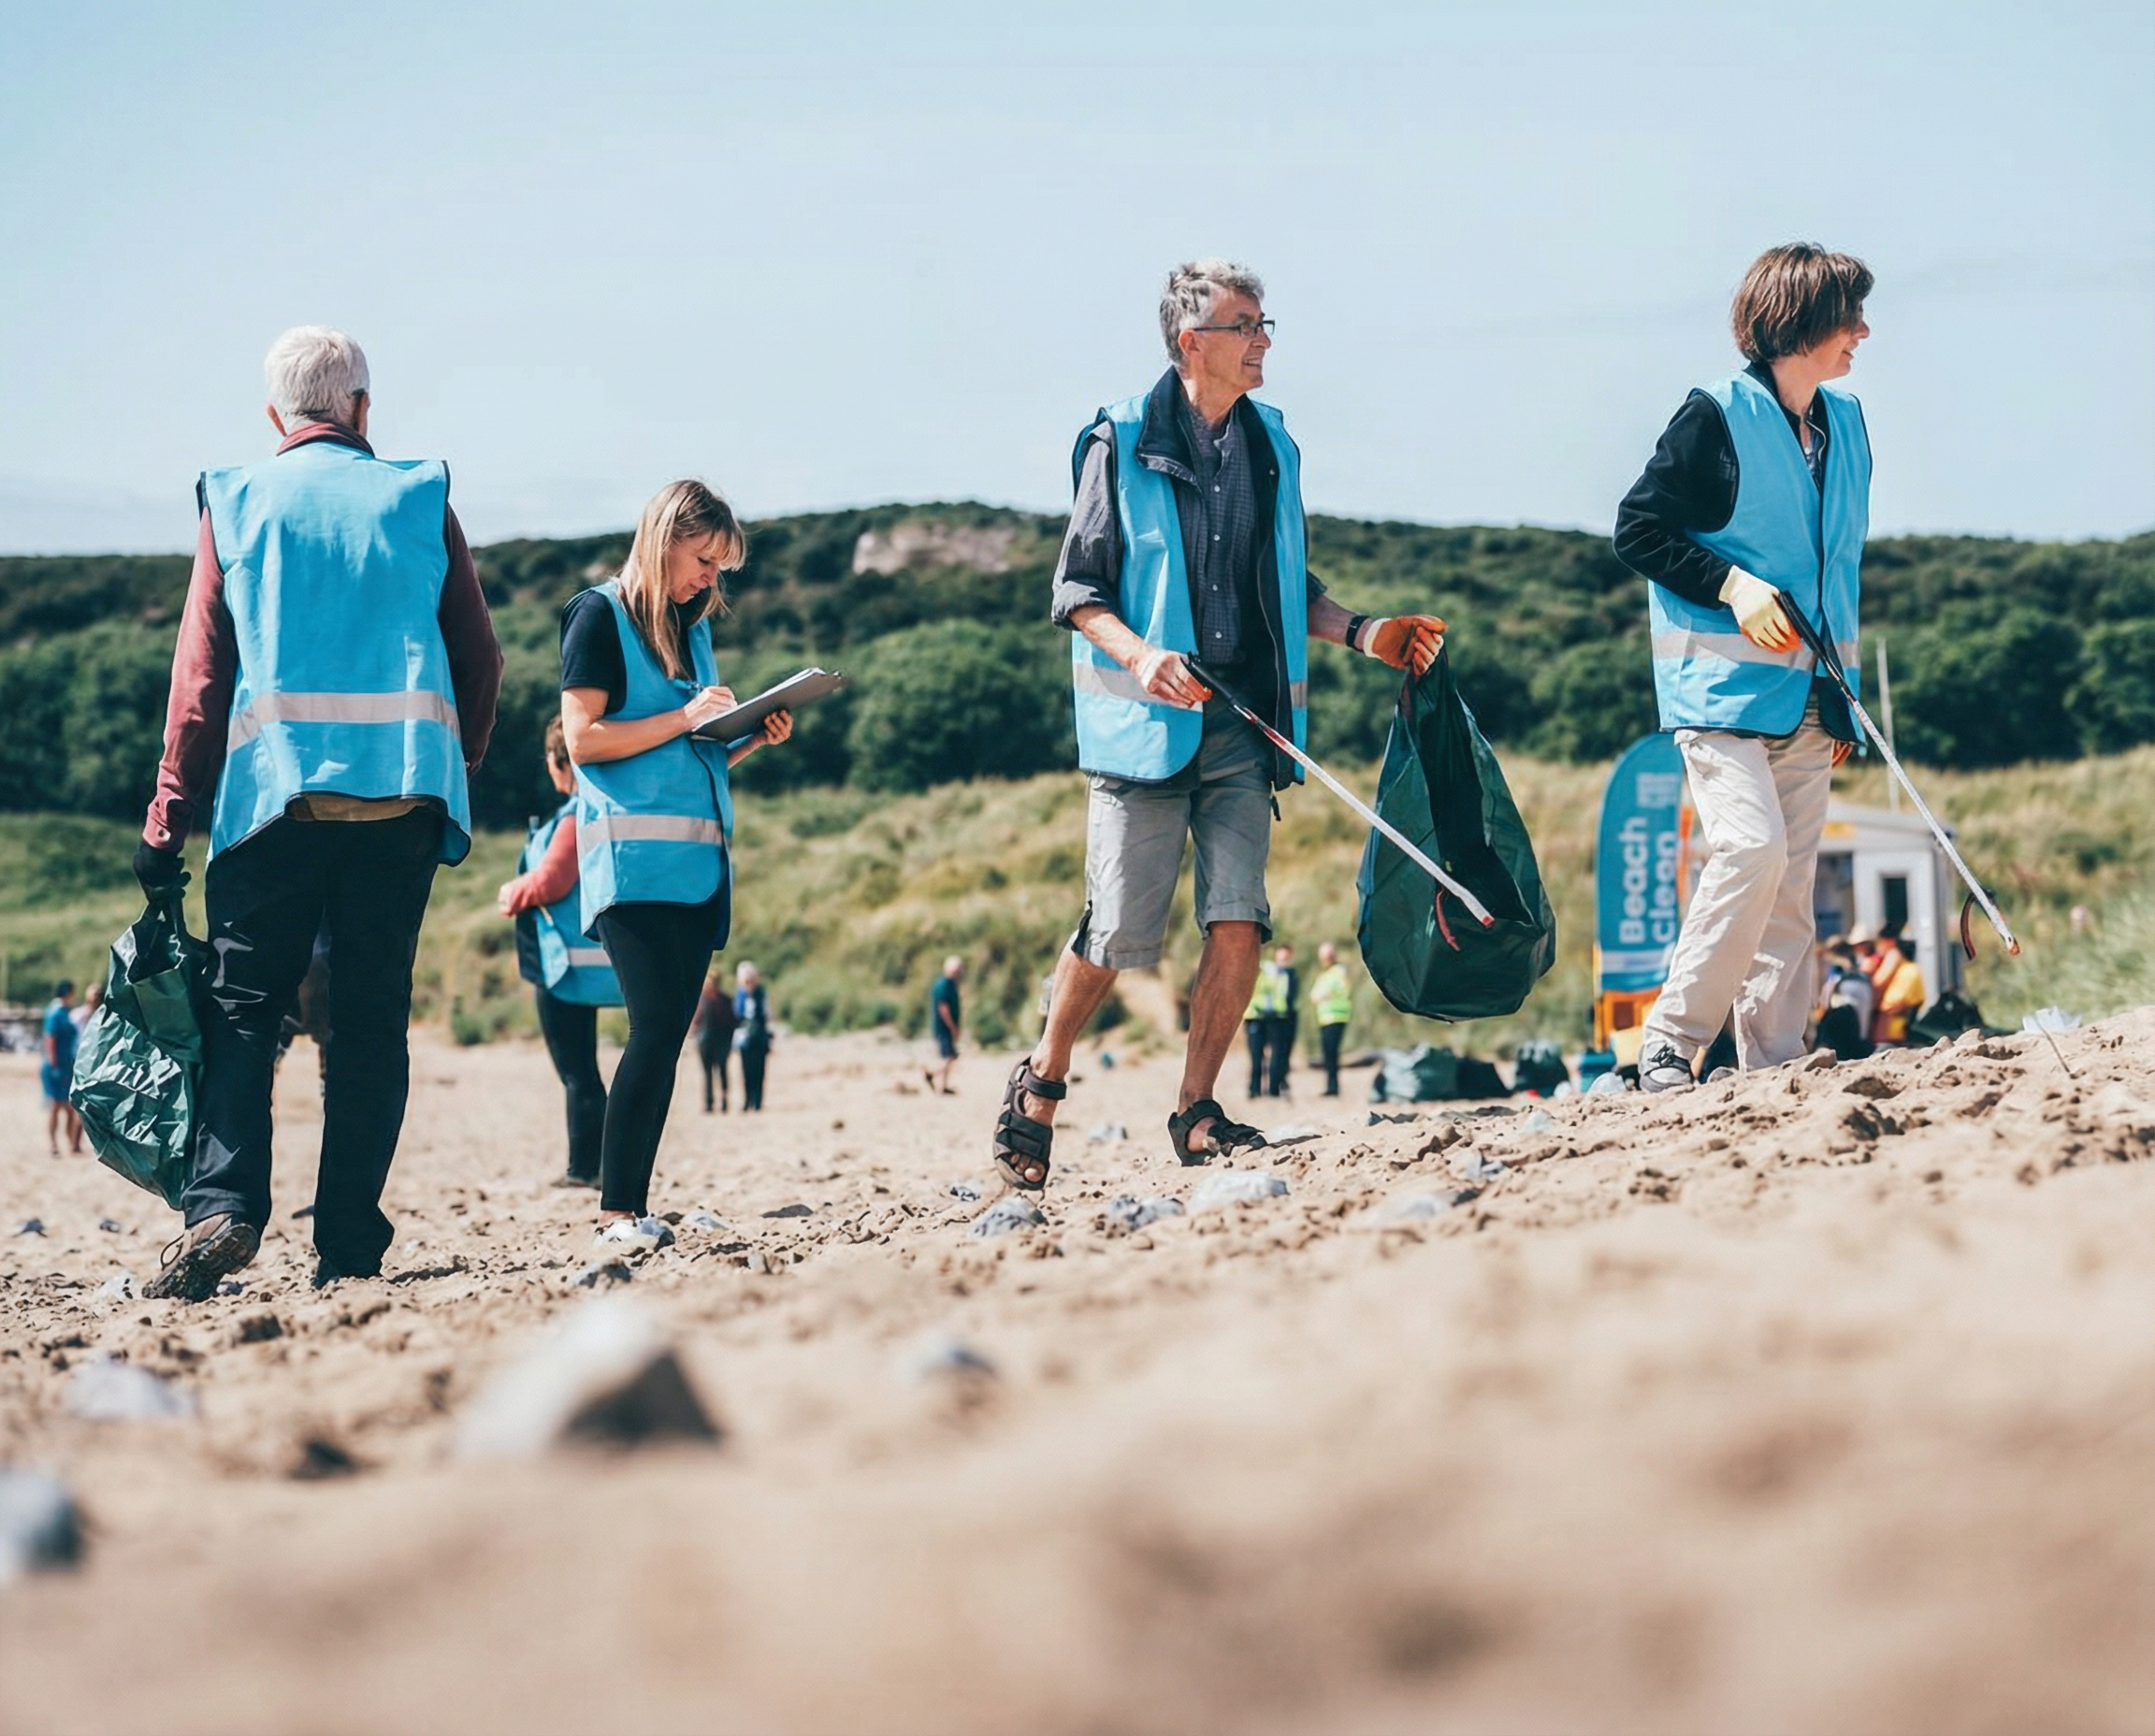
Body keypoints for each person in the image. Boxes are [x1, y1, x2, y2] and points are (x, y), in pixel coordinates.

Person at [991, 259, 1448, 1186]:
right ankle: (1042, 1077)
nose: (1264, 340)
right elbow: (1077, 592)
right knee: (1118, 930)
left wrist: (1366, 632)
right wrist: (1142, 657)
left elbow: (1286, 586)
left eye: (1265, 323)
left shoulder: (1274, 443)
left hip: (1244, 723)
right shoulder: (1118, 439)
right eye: (1247, 325)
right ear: (1192, 341)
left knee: (1239, 918)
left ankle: (1196, 1110)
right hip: (1141, 731)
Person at [135, 326, 502, 1299]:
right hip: (404, 798)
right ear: (363, 409)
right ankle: (347, 1241)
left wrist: (168, 816)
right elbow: (480, 656)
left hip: (275, 801)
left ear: (276, 416)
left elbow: (201, 682)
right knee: (371, 1023)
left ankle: (223, 1208)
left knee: (243, 1011)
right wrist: (454, 762)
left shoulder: (236, 500)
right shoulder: (422, 495)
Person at [1612, 244, 1873, 1092]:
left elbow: (1835, 575)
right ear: (1801, 321)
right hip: (1717, 692)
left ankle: (1774, 1060)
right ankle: (1669, 1040)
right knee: (1751, 850)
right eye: (1850, 317)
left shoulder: (1847, 426)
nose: (1863, 332)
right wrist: (1732, 584)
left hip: (1811, 696)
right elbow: (1638, 530)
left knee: (1791, 887)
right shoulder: (1714, 417)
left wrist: (1841, 697)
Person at [560, 482, 792, 1239]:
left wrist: (749, 737)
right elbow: (584, 740)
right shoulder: (597, 615)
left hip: (696, 872)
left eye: (720, 566)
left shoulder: (692, 630)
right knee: (655, 1030)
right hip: (632, 868)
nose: (710, 578)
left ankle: (632, 1205)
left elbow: (688, 752)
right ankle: (616, 1210)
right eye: (704, 560)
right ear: (664, 540)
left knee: (664, 1040)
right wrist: (686, 715)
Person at [498, 717, 619, 1188]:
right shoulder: (601, 808)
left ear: (558, 761)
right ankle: (597, 1166)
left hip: (565, 966)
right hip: (588, 961)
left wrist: (512, 892)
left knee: (577, 1071)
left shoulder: (574, 815)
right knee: (584, 1070)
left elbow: (552, 881)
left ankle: (585, 1169)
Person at [1815, 938, 1874, 1062]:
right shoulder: (1858, 967)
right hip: (1862, 998)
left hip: (1843, 1010)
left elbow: (1828, 995)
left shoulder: (1837, 968)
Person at [41, 981, 81, 1157]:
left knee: (68, 1107)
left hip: (66, 1064)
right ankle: (54, 1144)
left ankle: (71, 1142)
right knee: (57, 1106)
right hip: (56, 1065)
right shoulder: (56, 1012)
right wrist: (54, 1064)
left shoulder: (65, 1012)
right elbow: (50, 1038)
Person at [1869, 929, 1927, 1047]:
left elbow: (1880, 986)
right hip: (1899, 1026)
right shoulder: (1910, 968)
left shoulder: (1896, 958)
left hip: (1893, 1030)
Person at [1309, 942, 1352, 1096]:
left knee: (1331, 1054)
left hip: (1335, 1017)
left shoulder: (1336, 973)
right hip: (1326, 1018)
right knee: (1328, 1054)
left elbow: (1319, 994)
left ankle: (1333, 1087)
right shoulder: (1327, 974)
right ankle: (1331, 1085)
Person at [693, 968, 738, 1113]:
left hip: (721, 1041)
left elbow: (732, 1021)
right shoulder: (701, 1000)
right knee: (707, 1073)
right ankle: (709, 1102)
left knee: (722, 1070)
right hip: (705, 1041)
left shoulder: (724, 1000)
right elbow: (696, 1020)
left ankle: (724, 1100)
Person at [1261, 943, 1299, 1096]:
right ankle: (1273, 1087)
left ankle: (1281, 1081)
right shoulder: (1270, 972)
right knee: (1274, 1053)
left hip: (1288, 1017)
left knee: (1284, 1053)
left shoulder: (1291, 973)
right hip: (1273, 1017)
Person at [733, 962, 773, 1112]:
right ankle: (747, 1100)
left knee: (759, 1070)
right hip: (745, 1037)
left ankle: (757, 1101)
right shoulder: (740, 994)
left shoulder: (761, 993)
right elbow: (737, 1014)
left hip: (759, 1036)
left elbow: (766, 1014)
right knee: (746, 1070)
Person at [927, 955, 963, 1094]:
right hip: (943, 1027)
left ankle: (943, 1085)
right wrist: (952, 1027)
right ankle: (932, 1074)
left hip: (945, 1026)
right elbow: (943, 1008)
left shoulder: (949, 984)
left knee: (949, 1056)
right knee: (949, 1056)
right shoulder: (944, 984)